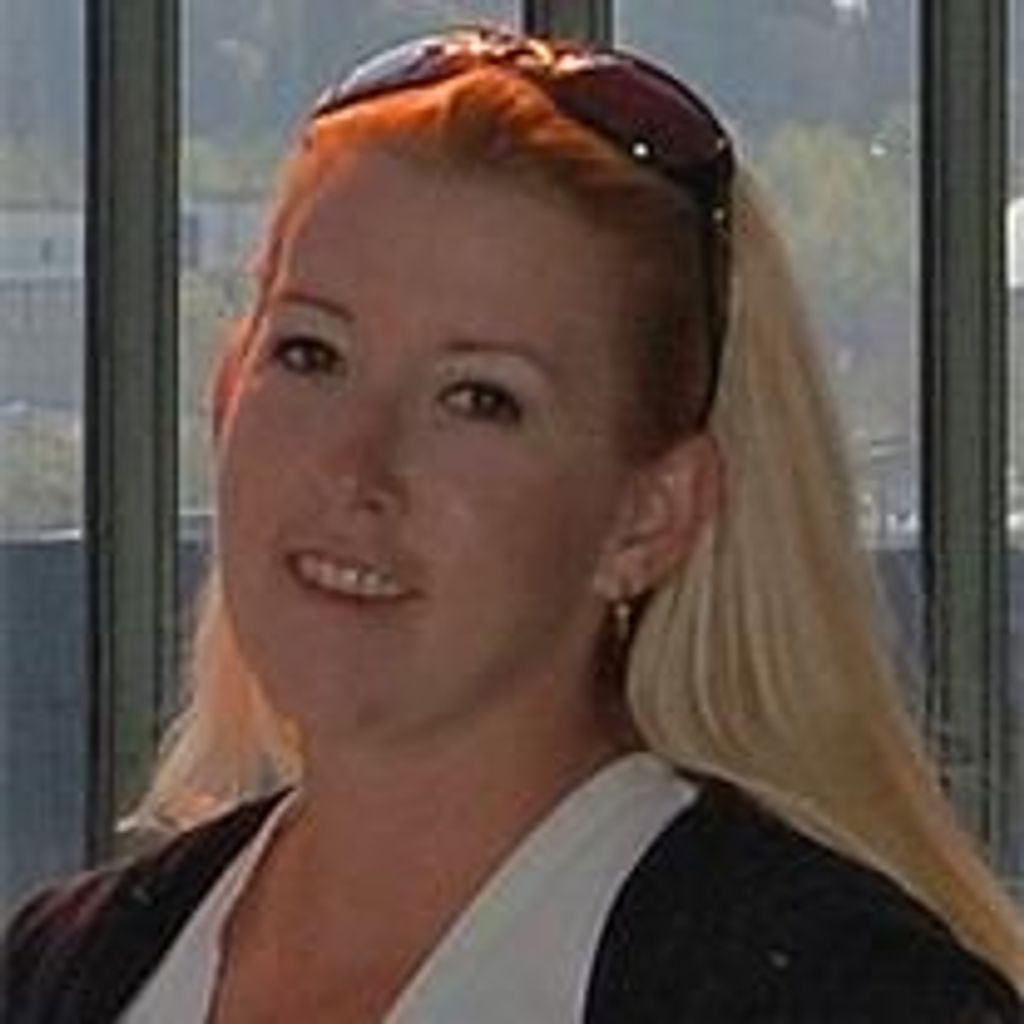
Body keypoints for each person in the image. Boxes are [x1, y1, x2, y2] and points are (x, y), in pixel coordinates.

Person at [3, 25, 1021, 1023]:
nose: (356, 468)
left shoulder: (832, 994)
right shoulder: (71, 969)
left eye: (479, 398)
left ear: (648, 517)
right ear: (228, 392)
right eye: (312, 355)